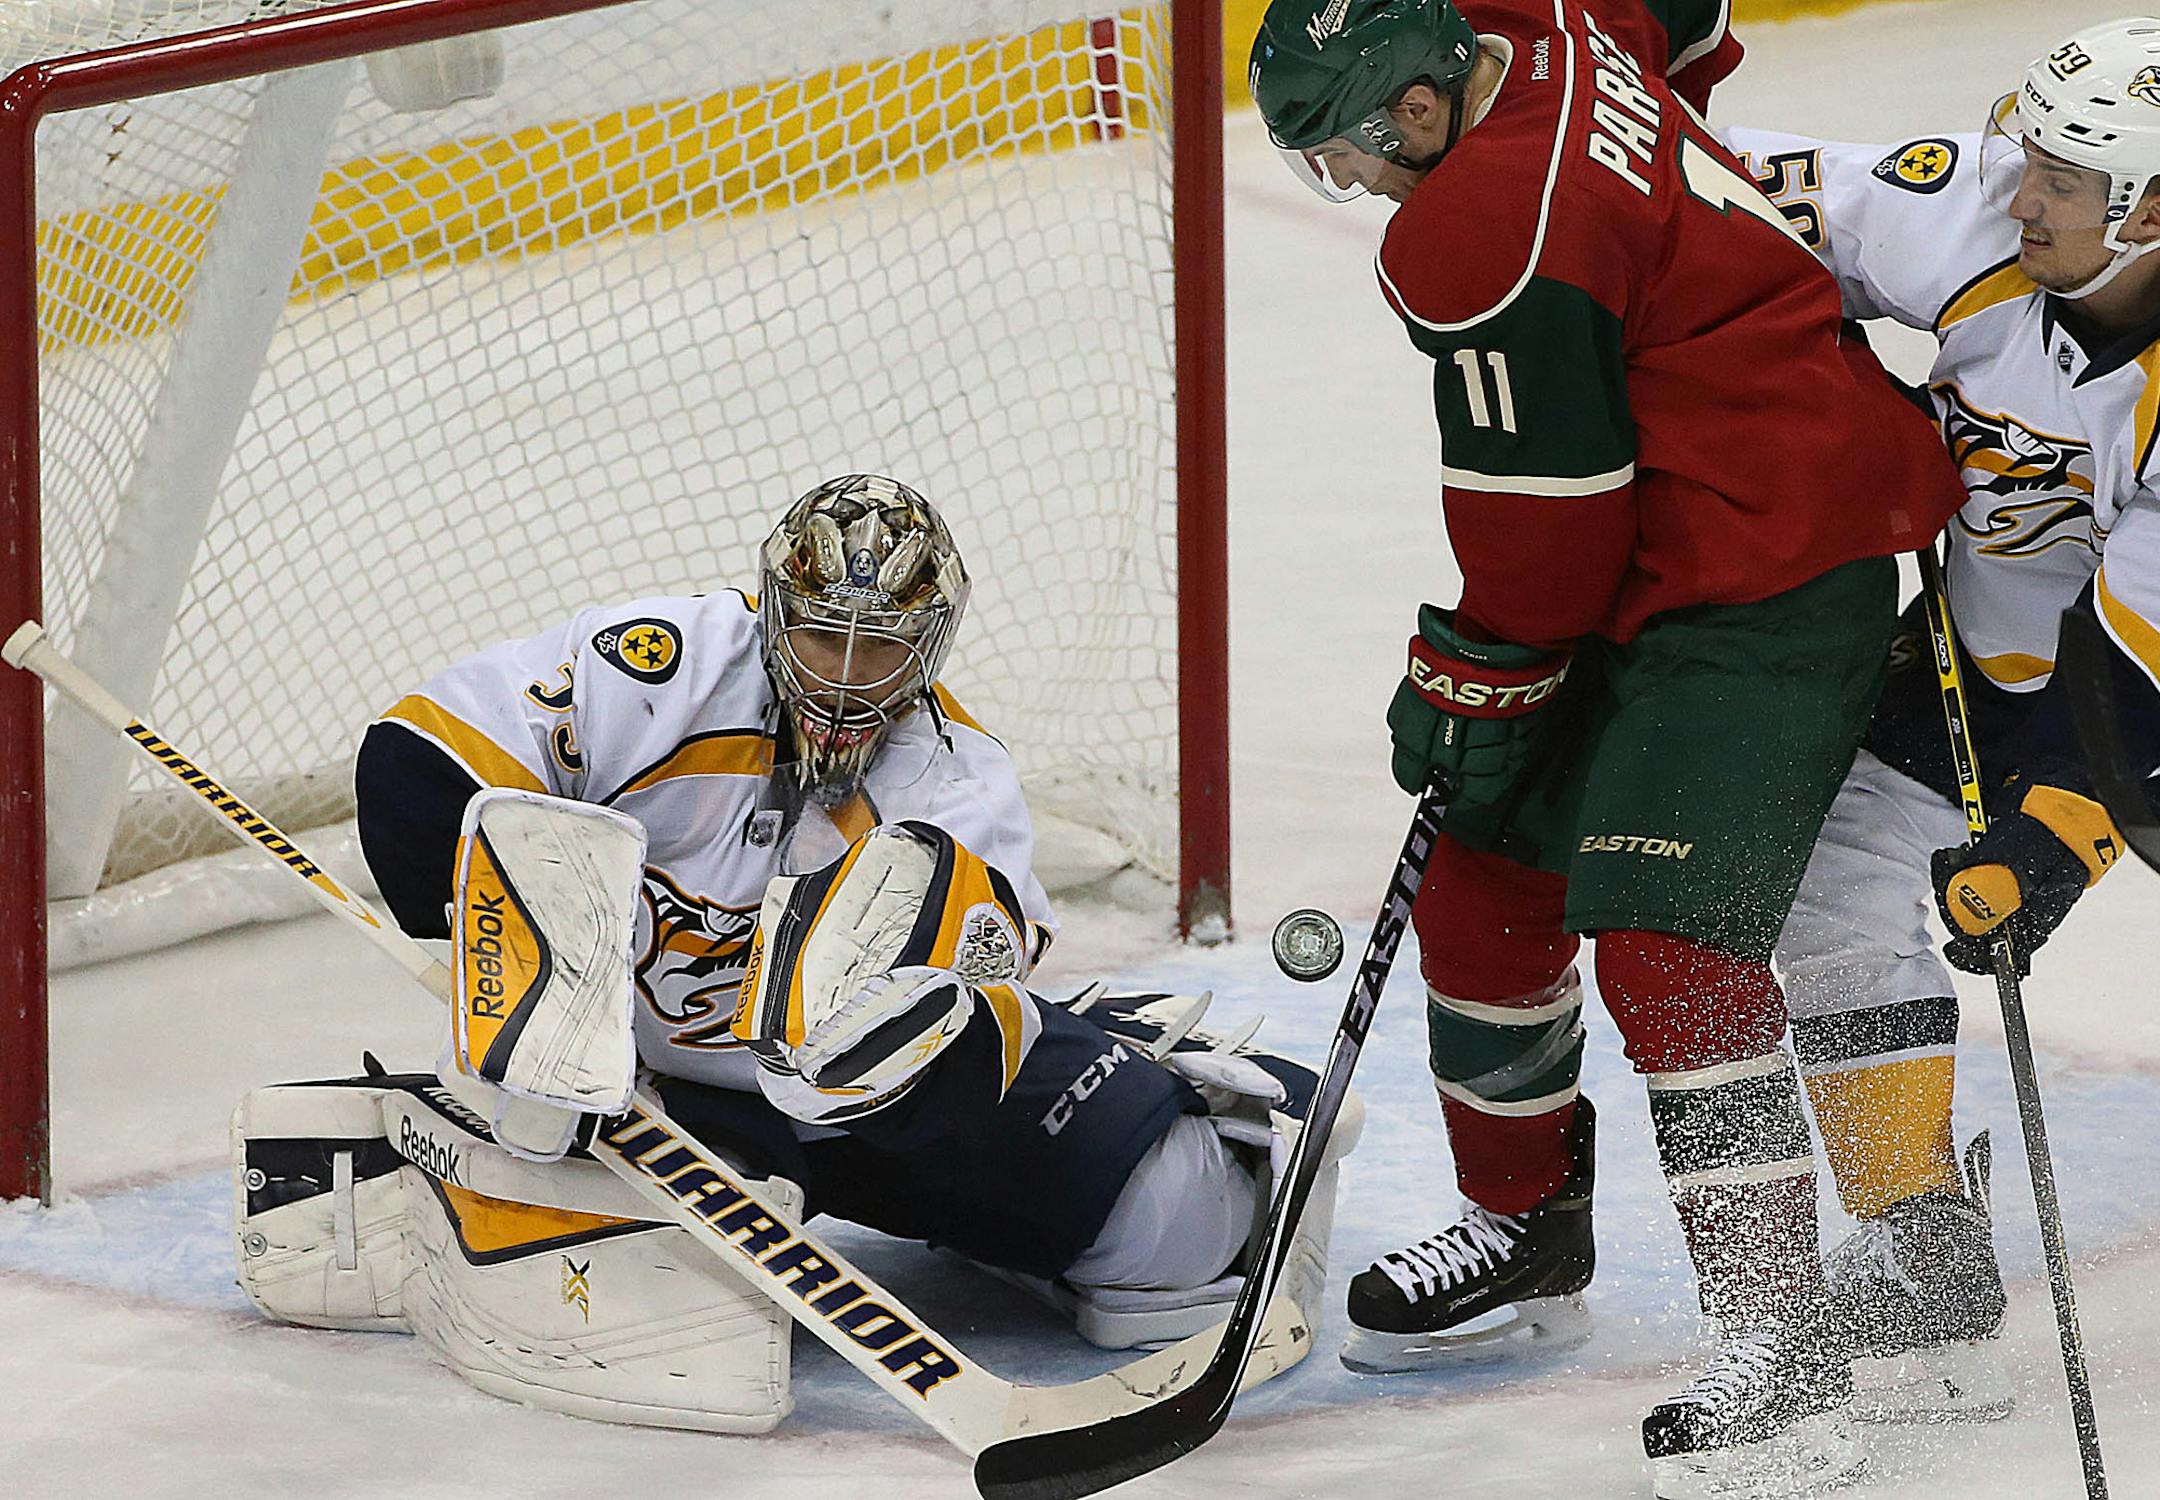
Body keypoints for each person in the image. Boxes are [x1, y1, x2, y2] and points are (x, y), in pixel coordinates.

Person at [225, 474, 1352, 1432]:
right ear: (774, 608)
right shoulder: (659, 665)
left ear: (933, 644)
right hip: (645, 1098)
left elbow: (973, 1001)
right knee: (624, 1249)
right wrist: (529, 967)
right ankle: (522, 1119)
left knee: (1181, 1237)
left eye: (886, 647)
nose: (850, 674)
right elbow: (416, 761)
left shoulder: (958, 790)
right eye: (823, 633)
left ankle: (1097, 1090)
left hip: (849, 1102)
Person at [1248, 0, 1969, 1491]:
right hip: (1686, 512)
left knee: (1665, 941)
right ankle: (1526, 1223)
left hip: (1774, 559)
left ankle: (1778, 1345)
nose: (1359, 191)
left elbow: (1549, 542)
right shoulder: (1545, 19)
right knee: (1481, 875)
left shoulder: (1486, 231)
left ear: (1420, 117)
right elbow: (1681, 17)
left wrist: (1469, 674)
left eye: (1350, 159)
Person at [1722, 15, 2160, 1422]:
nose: (2020, 194)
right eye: (2031, 158)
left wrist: (2053, 849)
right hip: (1985, 651)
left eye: (2064, 183)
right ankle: (1922, 1233)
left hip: (2123, 685)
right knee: (1831, 882)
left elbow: (2135, 689)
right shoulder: (1966, 209)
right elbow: (1720, 200)